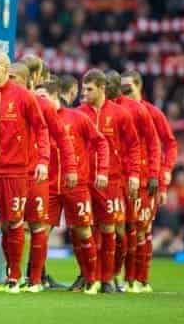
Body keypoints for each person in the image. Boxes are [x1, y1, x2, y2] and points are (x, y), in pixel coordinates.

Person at [0, 51, 49, 294]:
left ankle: (14, 276)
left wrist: (43, 160)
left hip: (15, 172)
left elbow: (41, 129)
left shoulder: (25, 97)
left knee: (13, 222)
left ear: (6, 69)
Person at [7, 63, 76, 293]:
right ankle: (12, 277)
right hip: (11, 174)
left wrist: (70, 167)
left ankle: (35, 280)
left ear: (26, 80)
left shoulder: (43, 105)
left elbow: (62, 138)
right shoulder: (3, 103)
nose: (9, 80)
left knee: (38, 226)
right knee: (12, 225)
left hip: (36, 175)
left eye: (13, 77)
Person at [37, 78, 109, 295]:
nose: (38, 102)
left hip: (75, 185)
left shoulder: (78, 118)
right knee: (39, 231)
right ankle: (35, 279)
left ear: (54, 96)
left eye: (42, 97)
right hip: (47, 186)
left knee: (83, 231)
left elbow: (101, 142)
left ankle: (91, 279)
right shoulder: (37, 120)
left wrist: (102, 170)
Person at [78, 69, 141, 293]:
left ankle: (108, 278)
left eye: (89, 89)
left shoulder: (120, 114)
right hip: (85, 182)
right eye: (83, 88)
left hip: (112, 181)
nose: (83, 93)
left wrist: (134, 174)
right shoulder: (79, 114)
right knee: (85, 229)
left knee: (109, 230)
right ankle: (90, 277)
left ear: (102, 89)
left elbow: (133, 146)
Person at [121, 70, 178, 292]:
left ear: (139, 88)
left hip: (146, 181)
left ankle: (139, 280)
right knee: (123, 230)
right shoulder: (117, 111)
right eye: (122, 88)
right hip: (122, 180)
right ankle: (122, 278)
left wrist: (164, 175)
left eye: (129, 88)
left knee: (141, 229)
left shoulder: (152, 113)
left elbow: (169, 144)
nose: (125, 92)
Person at [105, 70, 161, 293]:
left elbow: (155, 143)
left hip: (135, 180)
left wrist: (156, 174)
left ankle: (132, 278)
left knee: (133, 230)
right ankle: (107, 276)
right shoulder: (97, 110)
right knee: (110, 229)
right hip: (107, 179)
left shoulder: (137, 110)